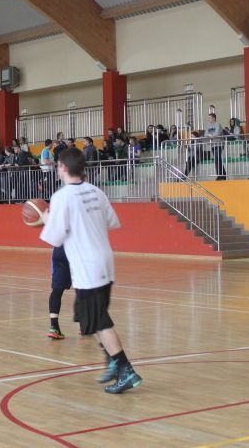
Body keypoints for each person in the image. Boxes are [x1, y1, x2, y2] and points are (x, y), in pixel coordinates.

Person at [40, 147, 141, 394]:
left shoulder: (62, 197)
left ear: (63, 167)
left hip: (88, 267)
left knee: (100, 321)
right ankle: (112, 361)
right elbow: (112, 222)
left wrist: (46, 221)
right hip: (104, 261)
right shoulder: (97, 192)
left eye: (58, 165)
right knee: (87, 318)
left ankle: (125, 369)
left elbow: (55, 238)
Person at [47, 245, 72, 339]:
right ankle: (84, 325)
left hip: (59, 251)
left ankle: (54, 327)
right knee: (82, 287)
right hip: (75, 249)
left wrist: (53, 271)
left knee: (56, 290)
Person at [205, 113, 226, 180]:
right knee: (217, 159)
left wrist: (210, 135)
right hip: (213, 145)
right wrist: (210, 135)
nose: (208, 119)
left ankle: (220, 175)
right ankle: (223, 174)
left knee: (217, 158)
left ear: (214, 118)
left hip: (219, 144)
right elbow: (205, 134)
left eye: (209, 118)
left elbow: (217, 134)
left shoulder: (218, 124)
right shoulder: (208, 125)